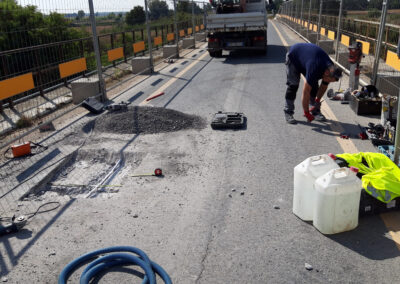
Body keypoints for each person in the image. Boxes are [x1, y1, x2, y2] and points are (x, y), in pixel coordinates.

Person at [284, 43, 342, 124]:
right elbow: (306, 92)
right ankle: (288, 112)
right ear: (326, 73)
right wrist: (306, 113)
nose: (328, 82)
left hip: (307, 60)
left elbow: (324, 85)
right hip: (294, 57)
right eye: (329, 80)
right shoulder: (314, 68)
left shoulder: (330, 68)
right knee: (293, 86)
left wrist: (317, 101)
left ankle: (314, 110)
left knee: (314, 87)